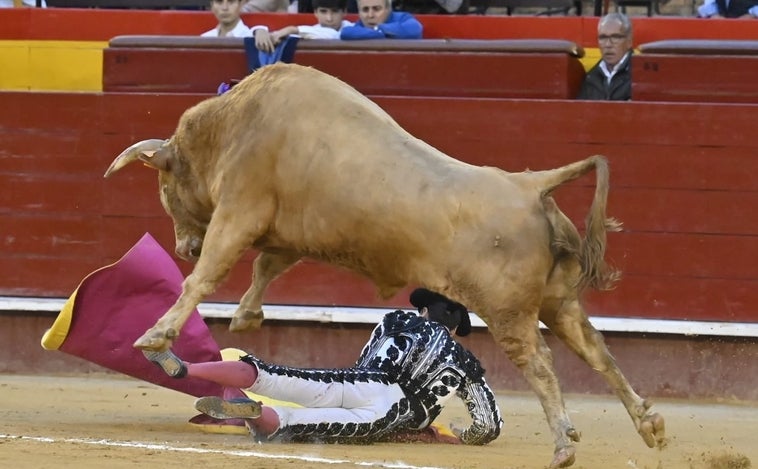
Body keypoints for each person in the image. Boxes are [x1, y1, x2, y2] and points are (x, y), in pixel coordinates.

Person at [145, 288, 502, 445]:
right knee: (297, 422)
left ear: (424, 310)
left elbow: (365, 361)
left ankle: (188, 367)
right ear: (455, 326)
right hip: (393, 411)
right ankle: (256, 414)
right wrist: (459, 434)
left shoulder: (394, 320)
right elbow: (489, 425)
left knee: (271, 374)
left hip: (359, 380)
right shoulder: (464, 361)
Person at [251, 0, 353, 53]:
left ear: (344, 12)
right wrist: (259, 30)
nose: (329, 18)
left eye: (334, 12)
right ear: (315, 12)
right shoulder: (309, 32)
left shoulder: (353, 28)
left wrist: (292, 29)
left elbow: (334, 35)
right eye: (323, 11)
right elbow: (277, 37)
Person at [577, 12, 633, 101]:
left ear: (629, 42)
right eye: (603, 38)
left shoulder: (639, 76)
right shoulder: (591, 77)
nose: (608, 44)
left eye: (615, 37)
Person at [340, 0, 423, 40]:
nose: (370, 15)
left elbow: (414, 30)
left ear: (388, 9)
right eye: (365, 9)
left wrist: (379, 29)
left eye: (376, 9)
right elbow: (346, 33)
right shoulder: (360, 24)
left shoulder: (403, 18)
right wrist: (381, 33)